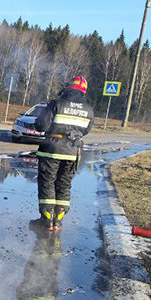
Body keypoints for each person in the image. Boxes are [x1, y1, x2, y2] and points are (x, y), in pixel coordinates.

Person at [30, 76, 94, 231]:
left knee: (47, 182)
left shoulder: (56, 104)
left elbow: (41, 125)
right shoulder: (89, 110)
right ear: (83, 92)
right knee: (64, 184)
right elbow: (85, 131)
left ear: (68, 88)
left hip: (51, 150)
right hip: (73, 152)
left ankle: (46, 219)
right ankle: (58, 221)